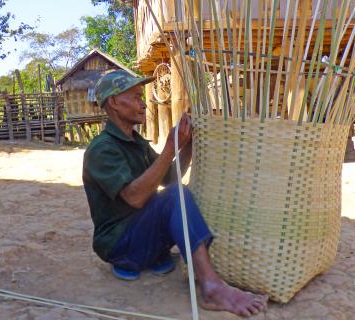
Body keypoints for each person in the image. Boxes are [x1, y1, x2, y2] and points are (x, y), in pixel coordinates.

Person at [82, 71, 268, 317]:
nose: (143, 103)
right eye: (136, 97)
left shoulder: (135, 141)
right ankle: (210, 286)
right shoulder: (101, 149)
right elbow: (135, 197)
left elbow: (168, 176)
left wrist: (187, 144)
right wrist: (171, 147)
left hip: (142, 235)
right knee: (175, 196)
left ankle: (170, 261)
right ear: (114, 102)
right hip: (121, 246)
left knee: (175, 193)